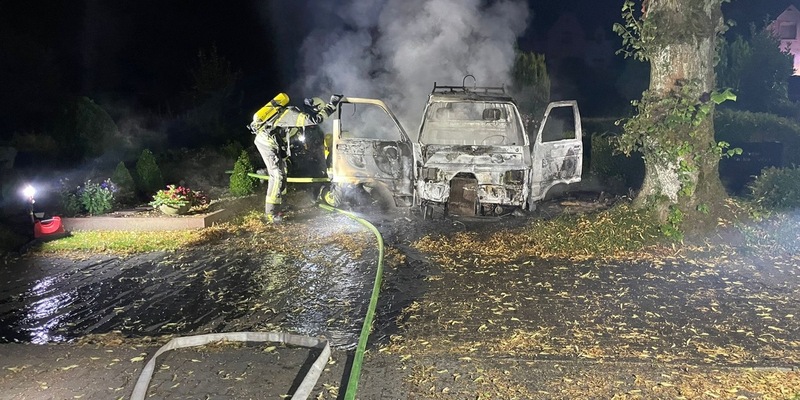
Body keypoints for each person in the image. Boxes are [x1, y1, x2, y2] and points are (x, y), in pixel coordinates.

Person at [249, 93, 342, 223]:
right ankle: (271, 213)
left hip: (273, 143)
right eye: (318, 111)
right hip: (266, 143)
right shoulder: (294, 115)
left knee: (284, 171)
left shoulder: (295, 116)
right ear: (315, 109)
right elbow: (316, 120)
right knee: (277, 175)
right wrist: (332, 105)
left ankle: (282, 204)